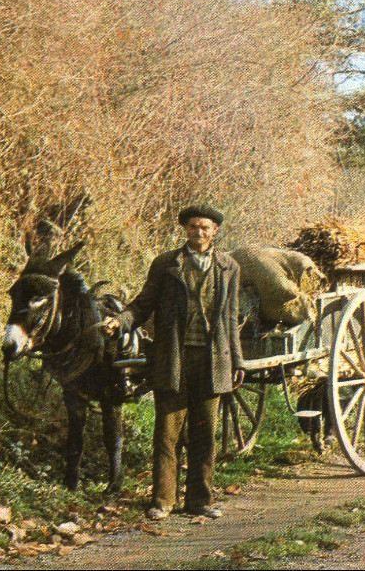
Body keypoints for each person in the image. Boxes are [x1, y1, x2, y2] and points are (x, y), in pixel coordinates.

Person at [102, 205, 244, 520]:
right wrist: (120, 322)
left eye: (205, 228)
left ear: (214, 231)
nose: (199, 233)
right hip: (173, 358)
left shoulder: (229, 267)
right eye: (193, 227)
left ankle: (199, 500)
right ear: (185, 230)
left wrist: (237, 360)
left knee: (205, 433)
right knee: (168, 431)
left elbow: (231, 318)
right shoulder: (166, 264)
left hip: (212, 360)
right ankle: (163, 501)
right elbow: (143, 303)